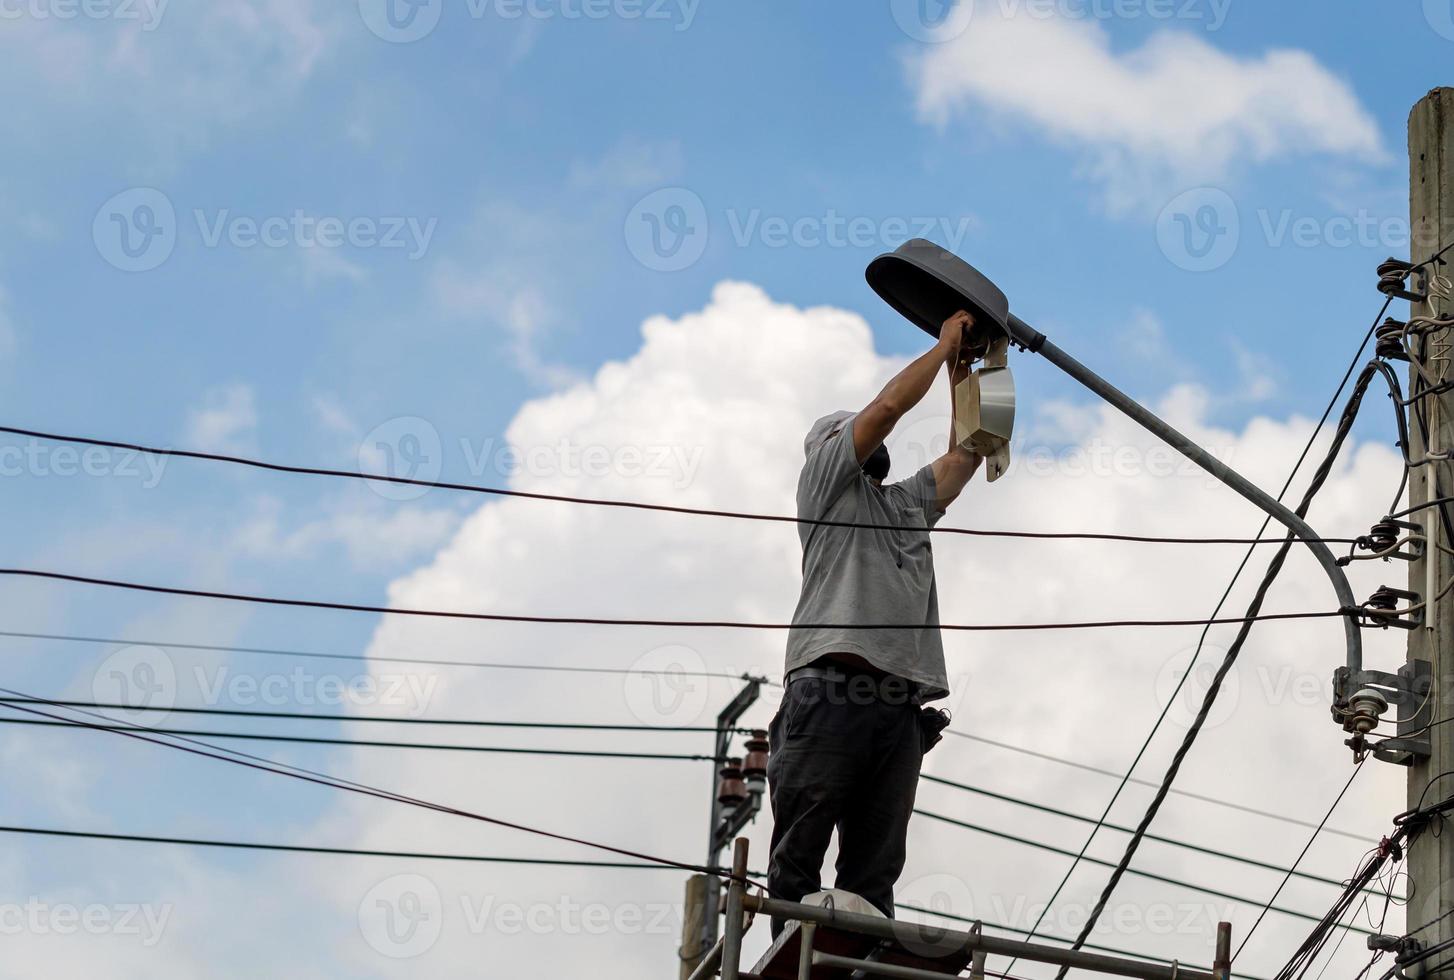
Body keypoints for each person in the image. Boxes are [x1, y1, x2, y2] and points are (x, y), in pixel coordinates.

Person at [766, 309, 983, 932]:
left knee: (874, 872)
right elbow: (885, 410)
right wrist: (942, 348)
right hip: (830, 689)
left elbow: (969, 455)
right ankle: (792, 958)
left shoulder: (905, 506)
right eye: (849, 434)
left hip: (896, 708)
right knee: (798, 862)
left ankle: (858, 968)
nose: (869, 438)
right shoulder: (825, 486)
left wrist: (968, 376)